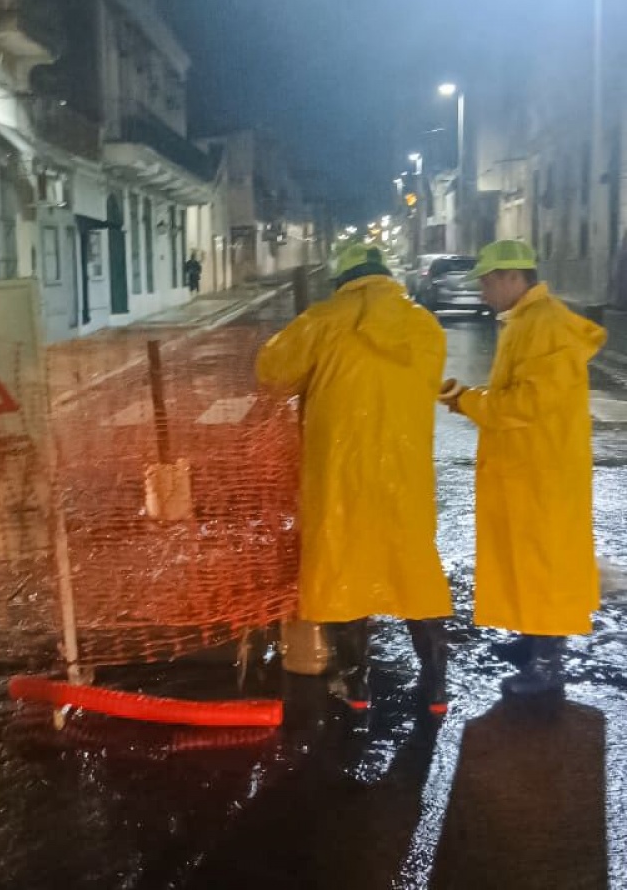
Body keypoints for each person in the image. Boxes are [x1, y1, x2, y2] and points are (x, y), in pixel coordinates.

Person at [256, 243, 452, 713]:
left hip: (339, 474)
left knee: (343, 573)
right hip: (405, 474)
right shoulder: (423, 325)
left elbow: (272, 372)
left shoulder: (323, 320)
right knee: (414, 572)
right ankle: (436, 688)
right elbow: (426, 381)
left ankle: (355, 686)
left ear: (343, 280)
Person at [440, 239, 606, 696]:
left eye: (488, 282)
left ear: (514, 277)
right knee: (529, 559)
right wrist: (466, 399)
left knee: (544, 562)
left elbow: (526, 404)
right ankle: (533, 641)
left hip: (543, 470)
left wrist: (468, 400)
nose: (482, 291)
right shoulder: (527, 321)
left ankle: (547, 662)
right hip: (531, 465)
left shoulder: (545, 325)